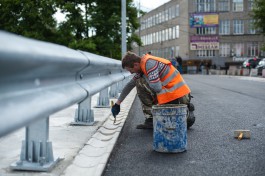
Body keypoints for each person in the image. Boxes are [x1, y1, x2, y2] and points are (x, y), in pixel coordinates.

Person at [111, 51, 195, 129]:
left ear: (136, 64)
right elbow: (130, 85)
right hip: (172, 94)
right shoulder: (143, 66)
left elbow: (157, 88)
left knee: (140, 83)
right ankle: (152, 119)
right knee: (138, 81)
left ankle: (185, 110)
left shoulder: (149, 64)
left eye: (130, 69)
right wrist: (117, 104)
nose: (130, 72)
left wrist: (144, 76)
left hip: (178, 95)